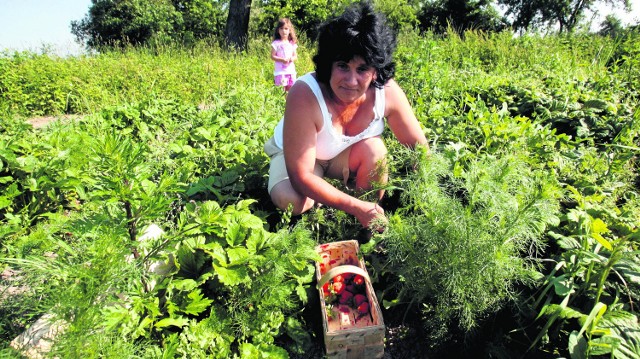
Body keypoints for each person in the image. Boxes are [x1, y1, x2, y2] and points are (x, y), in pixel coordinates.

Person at [264, 1, 428, 229]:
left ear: (376, 71)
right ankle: (338, 202)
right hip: (299, 156)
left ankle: (363, 219)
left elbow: (420, 152)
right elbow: (301, 174)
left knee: (376, 150)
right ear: (328, 64)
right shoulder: (305, 92)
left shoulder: (387, 93)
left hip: (342, 156)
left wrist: (425, 199)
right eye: (342, 66)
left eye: (362, 69)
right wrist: (352, 205)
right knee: (293, 200)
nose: (351, 81)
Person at [271, 18, 298, 93]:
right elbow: (272, 56)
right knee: (281, 92)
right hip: (280, 72)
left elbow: (295, 56)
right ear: (278, 30)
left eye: (286, 29)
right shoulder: (276, 43)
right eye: (281, 28)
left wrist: (291, 59)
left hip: (291, 71)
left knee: (291, 91)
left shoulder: (291, 43)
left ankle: (289, 104)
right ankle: (282, 104)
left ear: (289, 30)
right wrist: (282, 60)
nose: (284, 31)